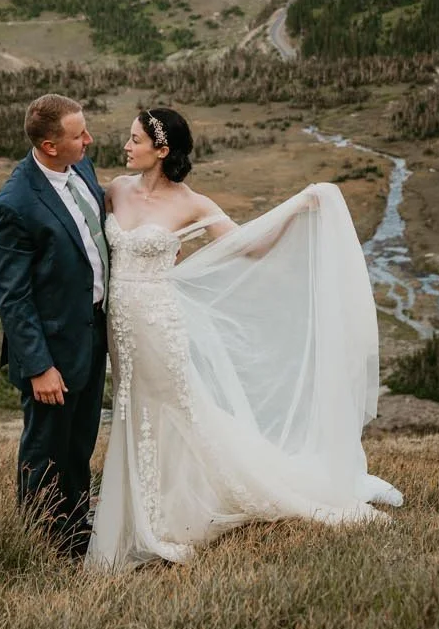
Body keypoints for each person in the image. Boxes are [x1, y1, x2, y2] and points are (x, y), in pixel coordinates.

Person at [86, 106, 400, 571]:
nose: (126, 146)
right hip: (121, 325)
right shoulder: (115, 190)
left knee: (170, 409)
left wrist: (298, 208)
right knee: (135, 410)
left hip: (158, 324)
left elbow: (247, 245)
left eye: (135, 140)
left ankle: (167, 515)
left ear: (162, 150)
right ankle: (143, 504)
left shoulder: (191, 203)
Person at [0, 93, 109, 557]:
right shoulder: (15, 204)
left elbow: (95, 233)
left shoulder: (82, 168)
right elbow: (13, 296)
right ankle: (38, 545)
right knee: (45, 451)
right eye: (79, 135)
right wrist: (39, 367)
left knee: (79, 444)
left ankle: (75, 536)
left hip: (91, 334)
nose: (89, 140)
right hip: (52, 351)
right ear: (49, 145)